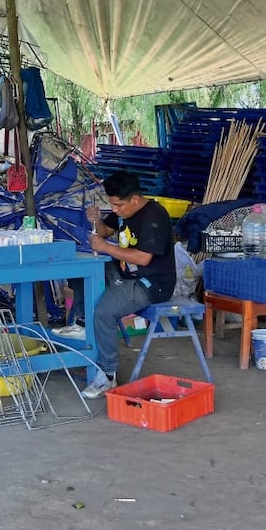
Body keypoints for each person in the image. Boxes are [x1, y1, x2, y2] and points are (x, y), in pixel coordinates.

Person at [72, 170, 176, 399]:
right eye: (112, 205)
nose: (115, 210)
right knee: (80, 272)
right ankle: (80, 322)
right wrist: (96, 220)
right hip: (124, 273)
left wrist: (105, 247)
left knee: (104, 312)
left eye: (118, 205)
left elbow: (142, 258)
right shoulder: (124, 211)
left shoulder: (154, 216)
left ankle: (108, 374)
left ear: (135, 199)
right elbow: (104, 231)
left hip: (151, 283)